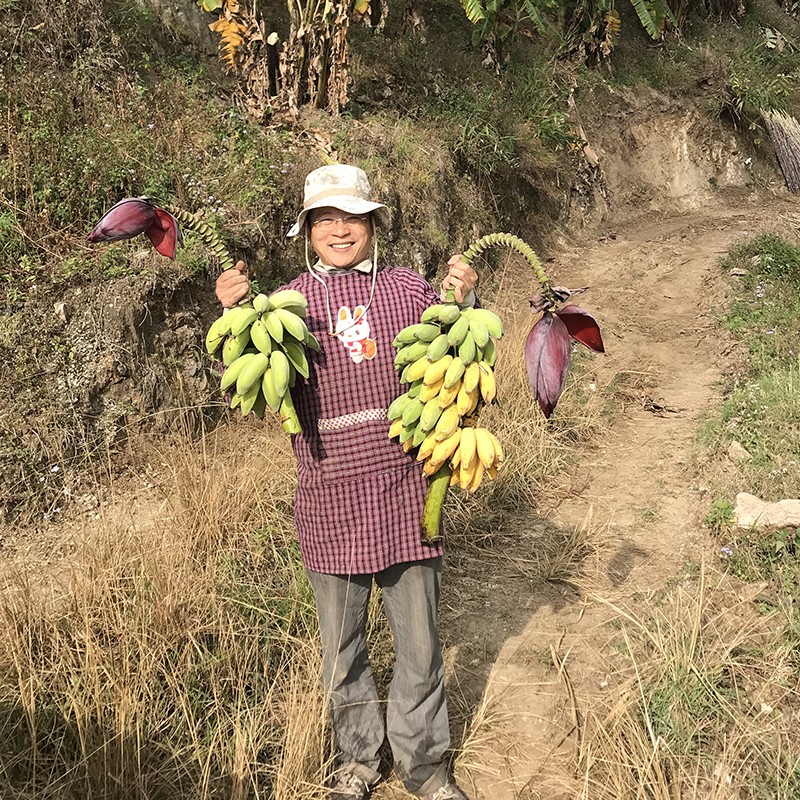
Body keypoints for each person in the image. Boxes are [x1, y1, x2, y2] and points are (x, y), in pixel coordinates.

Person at [215, 164, 478, 800]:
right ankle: (358, 763)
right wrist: (236, 313)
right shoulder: (286, 305)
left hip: (406, 490)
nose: (339, 230)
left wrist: (462, 302)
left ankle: (424, 767)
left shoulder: (408, 289)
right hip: (328, 496)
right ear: (307, 231)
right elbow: (256, 396)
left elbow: (451, 359)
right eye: (325, 219)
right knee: (342, 649)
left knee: (420, 645)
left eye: (352, 218)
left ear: (373, 225)